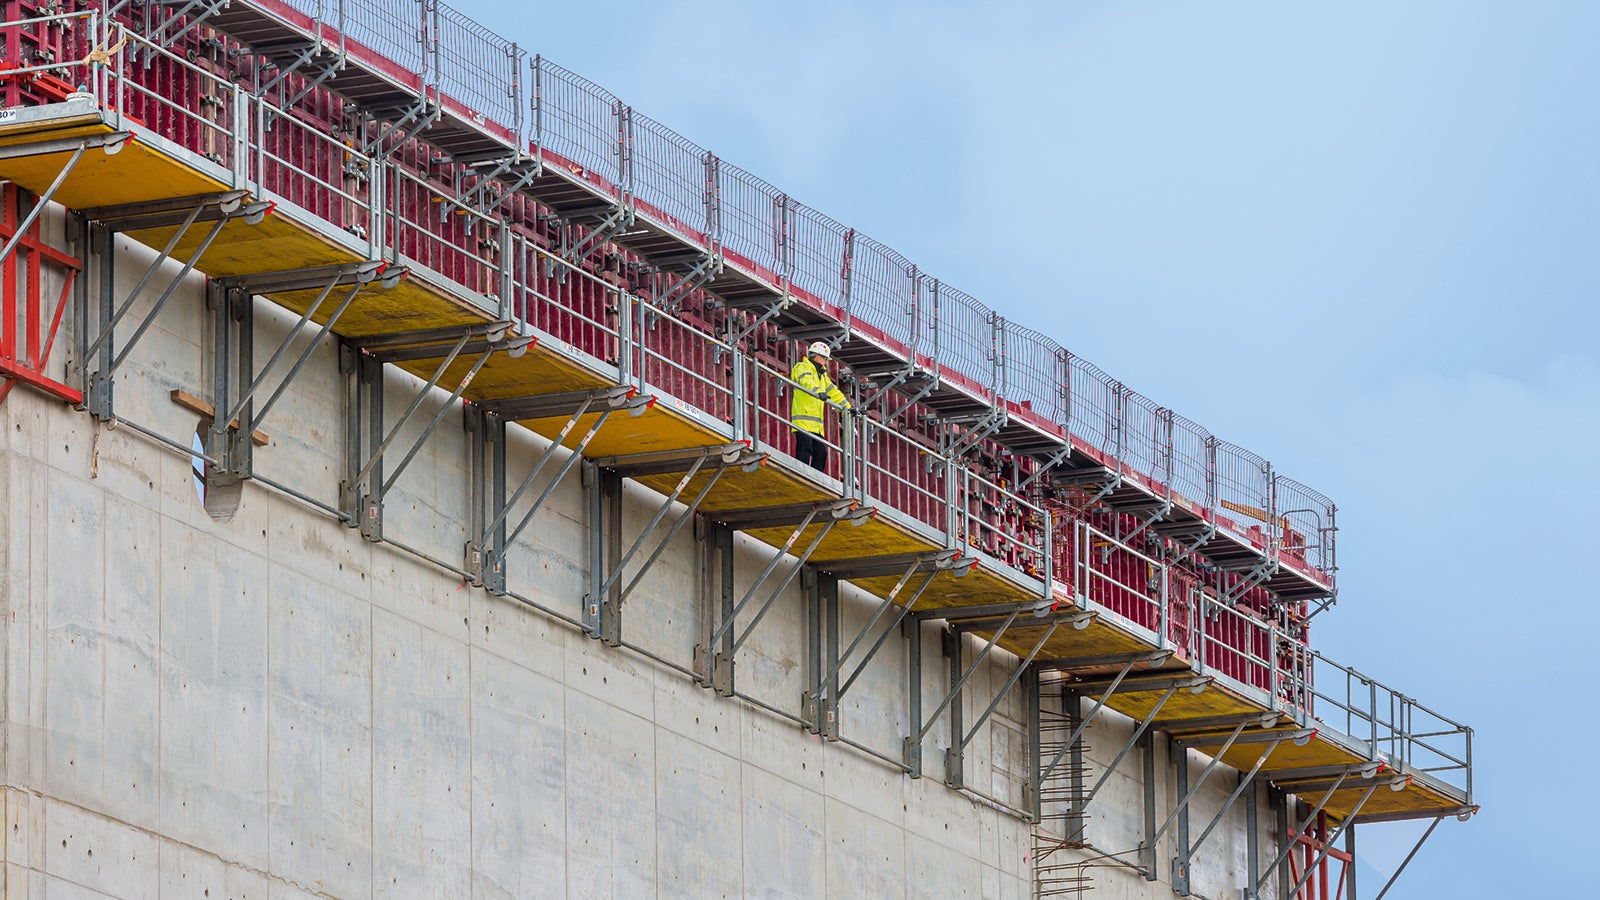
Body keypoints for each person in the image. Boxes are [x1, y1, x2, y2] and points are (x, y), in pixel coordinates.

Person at [789, 340, 851, 472]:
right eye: (825, 358)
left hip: (816, 426)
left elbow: (834, 392)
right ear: (817, 357)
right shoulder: (802, 367)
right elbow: (806, 382)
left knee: (821, 453)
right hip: (803, 419)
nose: (826, 361)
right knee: (804, 448)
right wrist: (818, 391)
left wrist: (848, 407)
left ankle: (814, 477)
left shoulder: (822, 376)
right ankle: (801, 474)